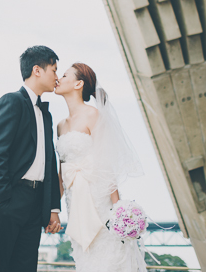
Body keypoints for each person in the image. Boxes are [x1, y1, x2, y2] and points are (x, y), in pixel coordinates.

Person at [0, 45, 62, 272]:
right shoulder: (11, 101)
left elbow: (49, 164)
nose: (57, 77)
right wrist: (1, 200)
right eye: (54, 70)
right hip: (10, 198)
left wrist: (52, 208)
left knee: (25, 266)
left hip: (36, 203)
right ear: (37, 70)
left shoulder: (46, 115)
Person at [54, 63, 145, 271]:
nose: (59, 78)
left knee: (107, 259)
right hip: (74, 202)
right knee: (85, 260)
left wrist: (119, 210)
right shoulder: (59, 125)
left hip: (98, 201)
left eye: (65, 75)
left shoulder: (93, 115)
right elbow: (62, 171)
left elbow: (106, 165)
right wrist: (54, 209)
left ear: (78, 83)